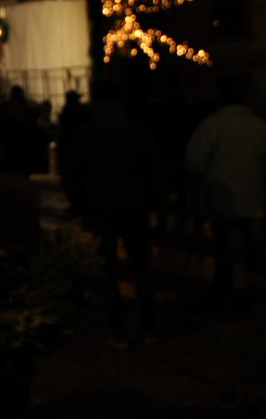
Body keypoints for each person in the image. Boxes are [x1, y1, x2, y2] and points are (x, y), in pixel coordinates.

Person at [63, 81, 161, 345]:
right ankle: (150, 325)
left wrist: (78, 203)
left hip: (98, 207)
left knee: (107, 270)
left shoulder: (83, 135)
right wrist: (152, 202)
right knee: (141, 266)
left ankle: (118, 328)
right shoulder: (137, 132)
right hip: (134, 206)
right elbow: (153, 171)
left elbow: (71, 173)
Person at [185, 74, 266, 303]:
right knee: (252, 248)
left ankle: (224, 293)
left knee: (224, 249)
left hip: (221, 199)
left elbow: (194, 162)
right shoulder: (259, 126)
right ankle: (255, 293)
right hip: (252, 198)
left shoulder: (212, 124)